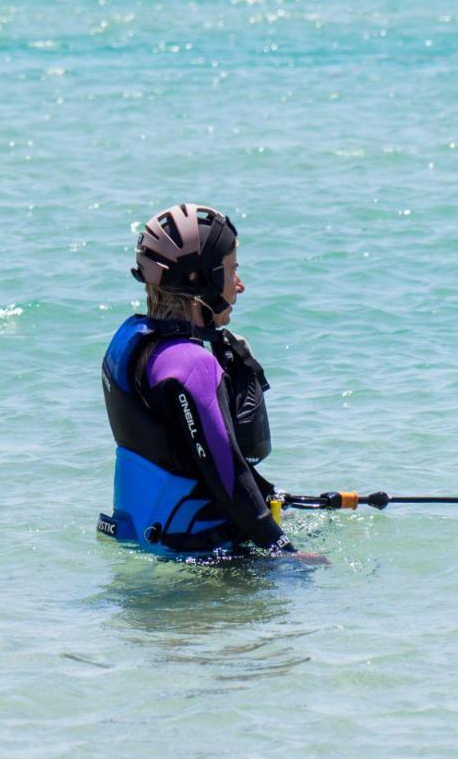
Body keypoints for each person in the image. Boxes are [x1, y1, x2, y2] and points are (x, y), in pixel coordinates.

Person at [98, 203, 324, 561]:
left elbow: (186, 455)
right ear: (199, 280)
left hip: (143, 538)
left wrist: (270, 497)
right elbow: (228, 475)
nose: (240, 285)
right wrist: (284, 552)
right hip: (199, 554)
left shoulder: (130, 343)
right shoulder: (193, 366)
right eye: (231, 271)